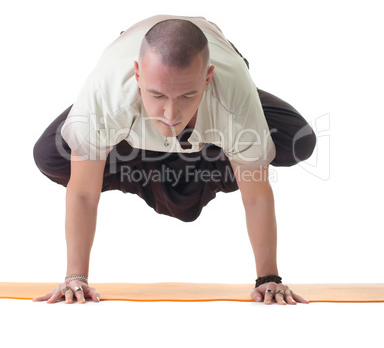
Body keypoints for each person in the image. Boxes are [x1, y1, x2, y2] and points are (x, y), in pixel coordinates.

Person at [32, 15, 316, 305]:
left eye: (187, 95)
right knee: (51, 155)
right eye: (157, 95)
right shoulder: (106, 95)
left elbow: (256, 197)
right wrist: (75, 278)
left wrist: (268, 279)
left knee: (298, 141)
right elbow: (82, 192)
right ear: (138, 75)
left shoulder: (233, 99)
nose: (171, 113)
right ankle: (149, 155)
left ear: (207, 78)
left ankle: (206, 152)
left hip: (222, 95)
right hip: (124, 109)